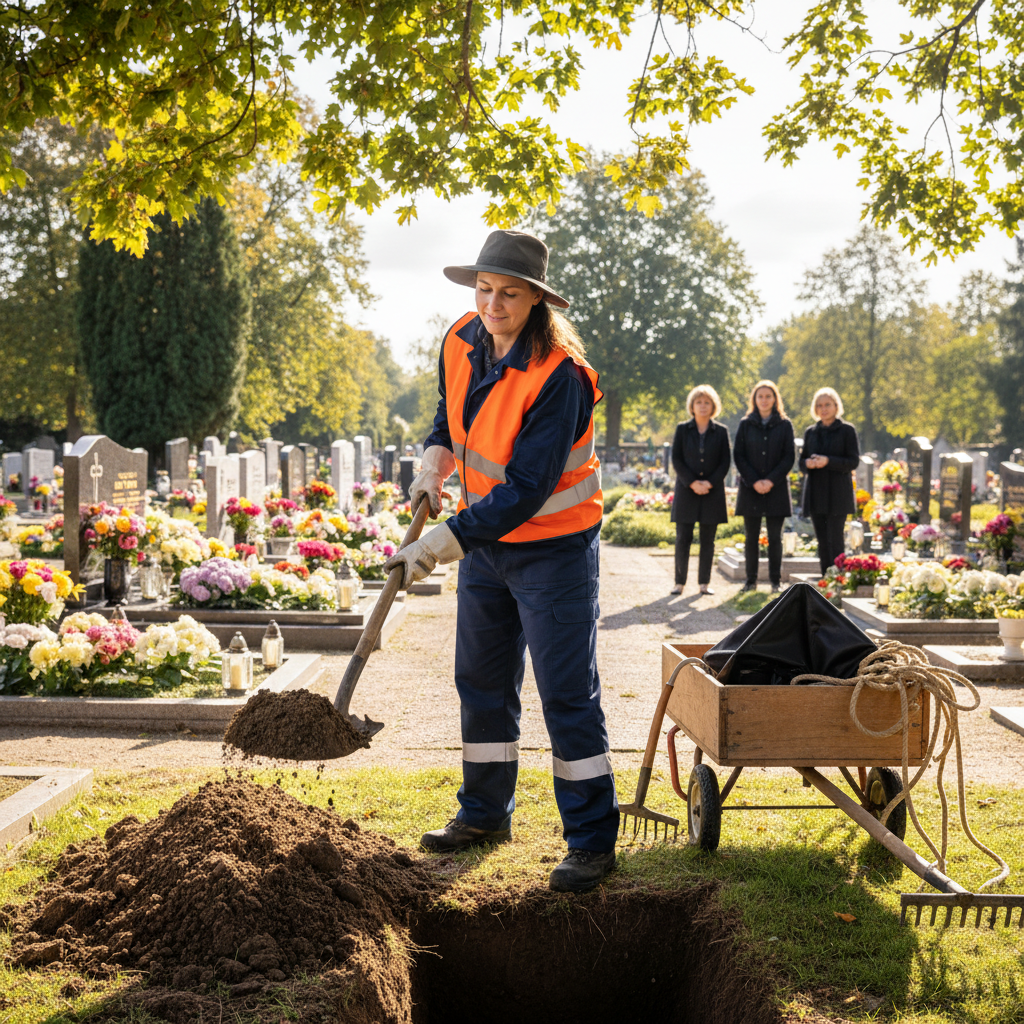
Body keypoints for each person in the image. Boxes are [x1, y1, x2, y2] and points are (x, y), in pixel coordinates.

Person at [384, 229, 618, 893]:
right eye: (485, 289)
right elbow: (449, 417)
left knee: (567, 695)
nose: (493, 304)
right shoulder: (462, 340)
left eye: (509, 294)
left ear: (537, 300)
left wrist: (440, 543)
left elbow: (526, 490)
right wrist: (434, 463)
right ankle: (485, 814)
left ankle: (592, 842)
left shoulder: (559, 378)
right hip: (488, 550)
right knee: (481, 684)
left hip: (553, 550)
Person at [733, 380, 795, 592]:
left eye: (768, 396)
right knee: (751, 538)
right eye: (760, 396)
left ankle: (775, 582)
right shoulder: (745, 424)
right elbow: (739, 456)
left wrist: (770, 481)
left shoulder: (785, 425)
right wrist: (754, 481)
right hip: (751, 490)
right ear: (754, 400)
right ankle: (751, 581)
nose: (764, 400)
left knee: (775, 538)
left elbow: (788, 457)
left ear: (775, 399)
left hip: (775, 489)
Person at [669, 385, 731, 595]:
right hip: (687, 491)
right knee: (683, 538)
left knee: (708, 540)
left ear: (713, 406)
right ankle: (679, 583)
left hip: (712, 493)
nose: (703, 406)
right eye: (699, 402)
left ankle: (704, 583)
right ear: (692, 406)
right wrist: (692, 482)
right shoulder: (682, 429)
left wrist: (710, 483)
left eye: (707, 402)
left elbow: (725, 462)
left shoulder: (721, 431)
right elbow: (676, 459)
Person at [800, 387, 860, 574]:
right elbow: (801, 462)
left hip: (838, 493)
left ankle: (839, 578)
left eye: (827, 404)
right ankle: (825, 578)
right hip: (817, 493)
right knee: (822, 541)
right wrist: (808, 463)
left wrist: (828, 461)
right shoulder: (811, 432)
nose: (823, 409)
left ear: (836, 406)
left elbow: (853, 461)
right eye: (819, 405)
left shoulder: (847, 430)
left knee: (835, 539)